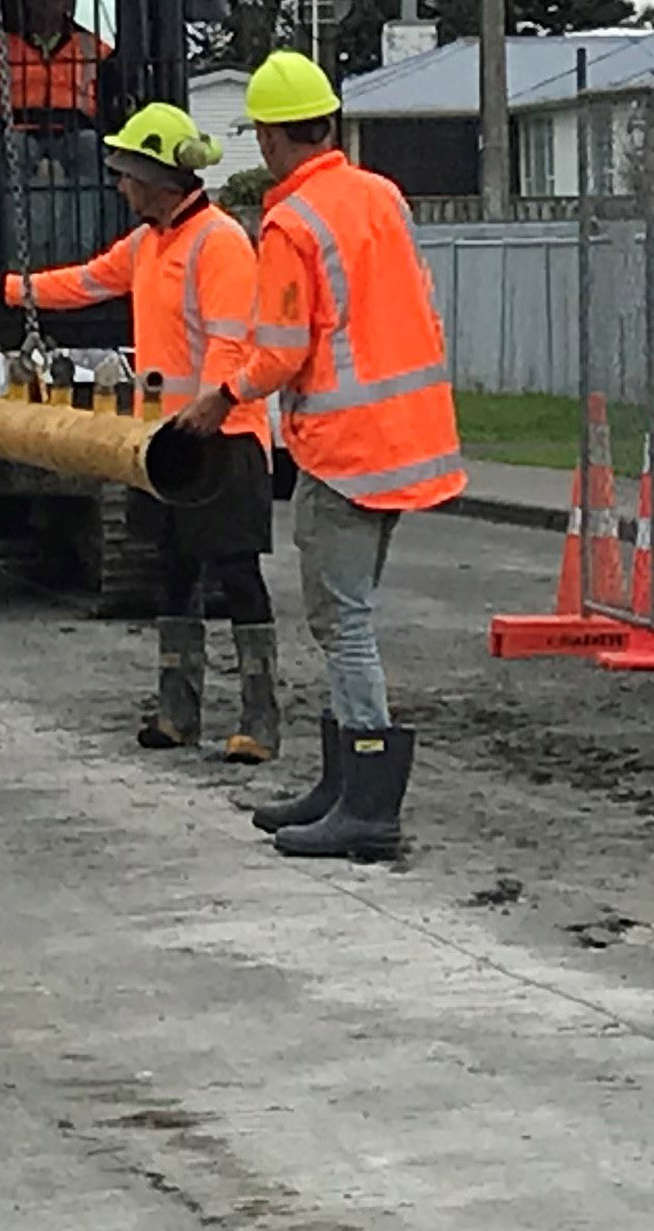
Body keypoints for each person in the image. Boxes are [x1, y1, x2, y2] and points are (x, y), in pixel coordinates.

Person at [169, 50, 463, 861]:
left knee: (344, 624)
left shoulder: (292, 224)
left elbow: (280, 352)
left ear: (268, 137)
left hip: (346, 448)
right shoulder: (379, 196)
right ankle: (340, 787)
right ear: (328, 122)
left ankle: (366, 803)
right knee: (350, 616)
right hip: (410, 439)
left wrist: (219, 400)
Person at [0, 101, 281, 760]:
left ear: (158, 177)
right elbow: (85, 282)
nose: (119, 185)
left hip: (224, 441)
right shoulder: (150, 244)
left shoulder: (217, 242)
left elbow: (229, 339)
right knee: (175, 572)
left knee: (238, 577)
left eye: (127, 174)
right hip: (166, 444)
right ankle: (177, 714)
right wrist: (3, 291)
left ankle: (260, 721)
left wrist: (209, 413)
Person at [0, 0, 111, 129]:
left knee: (89, 145)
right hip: (14, 129)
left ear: (68, 3)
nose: (47, 1)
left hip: (75, 130)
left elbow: (117, 86)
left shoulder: (94, 48)